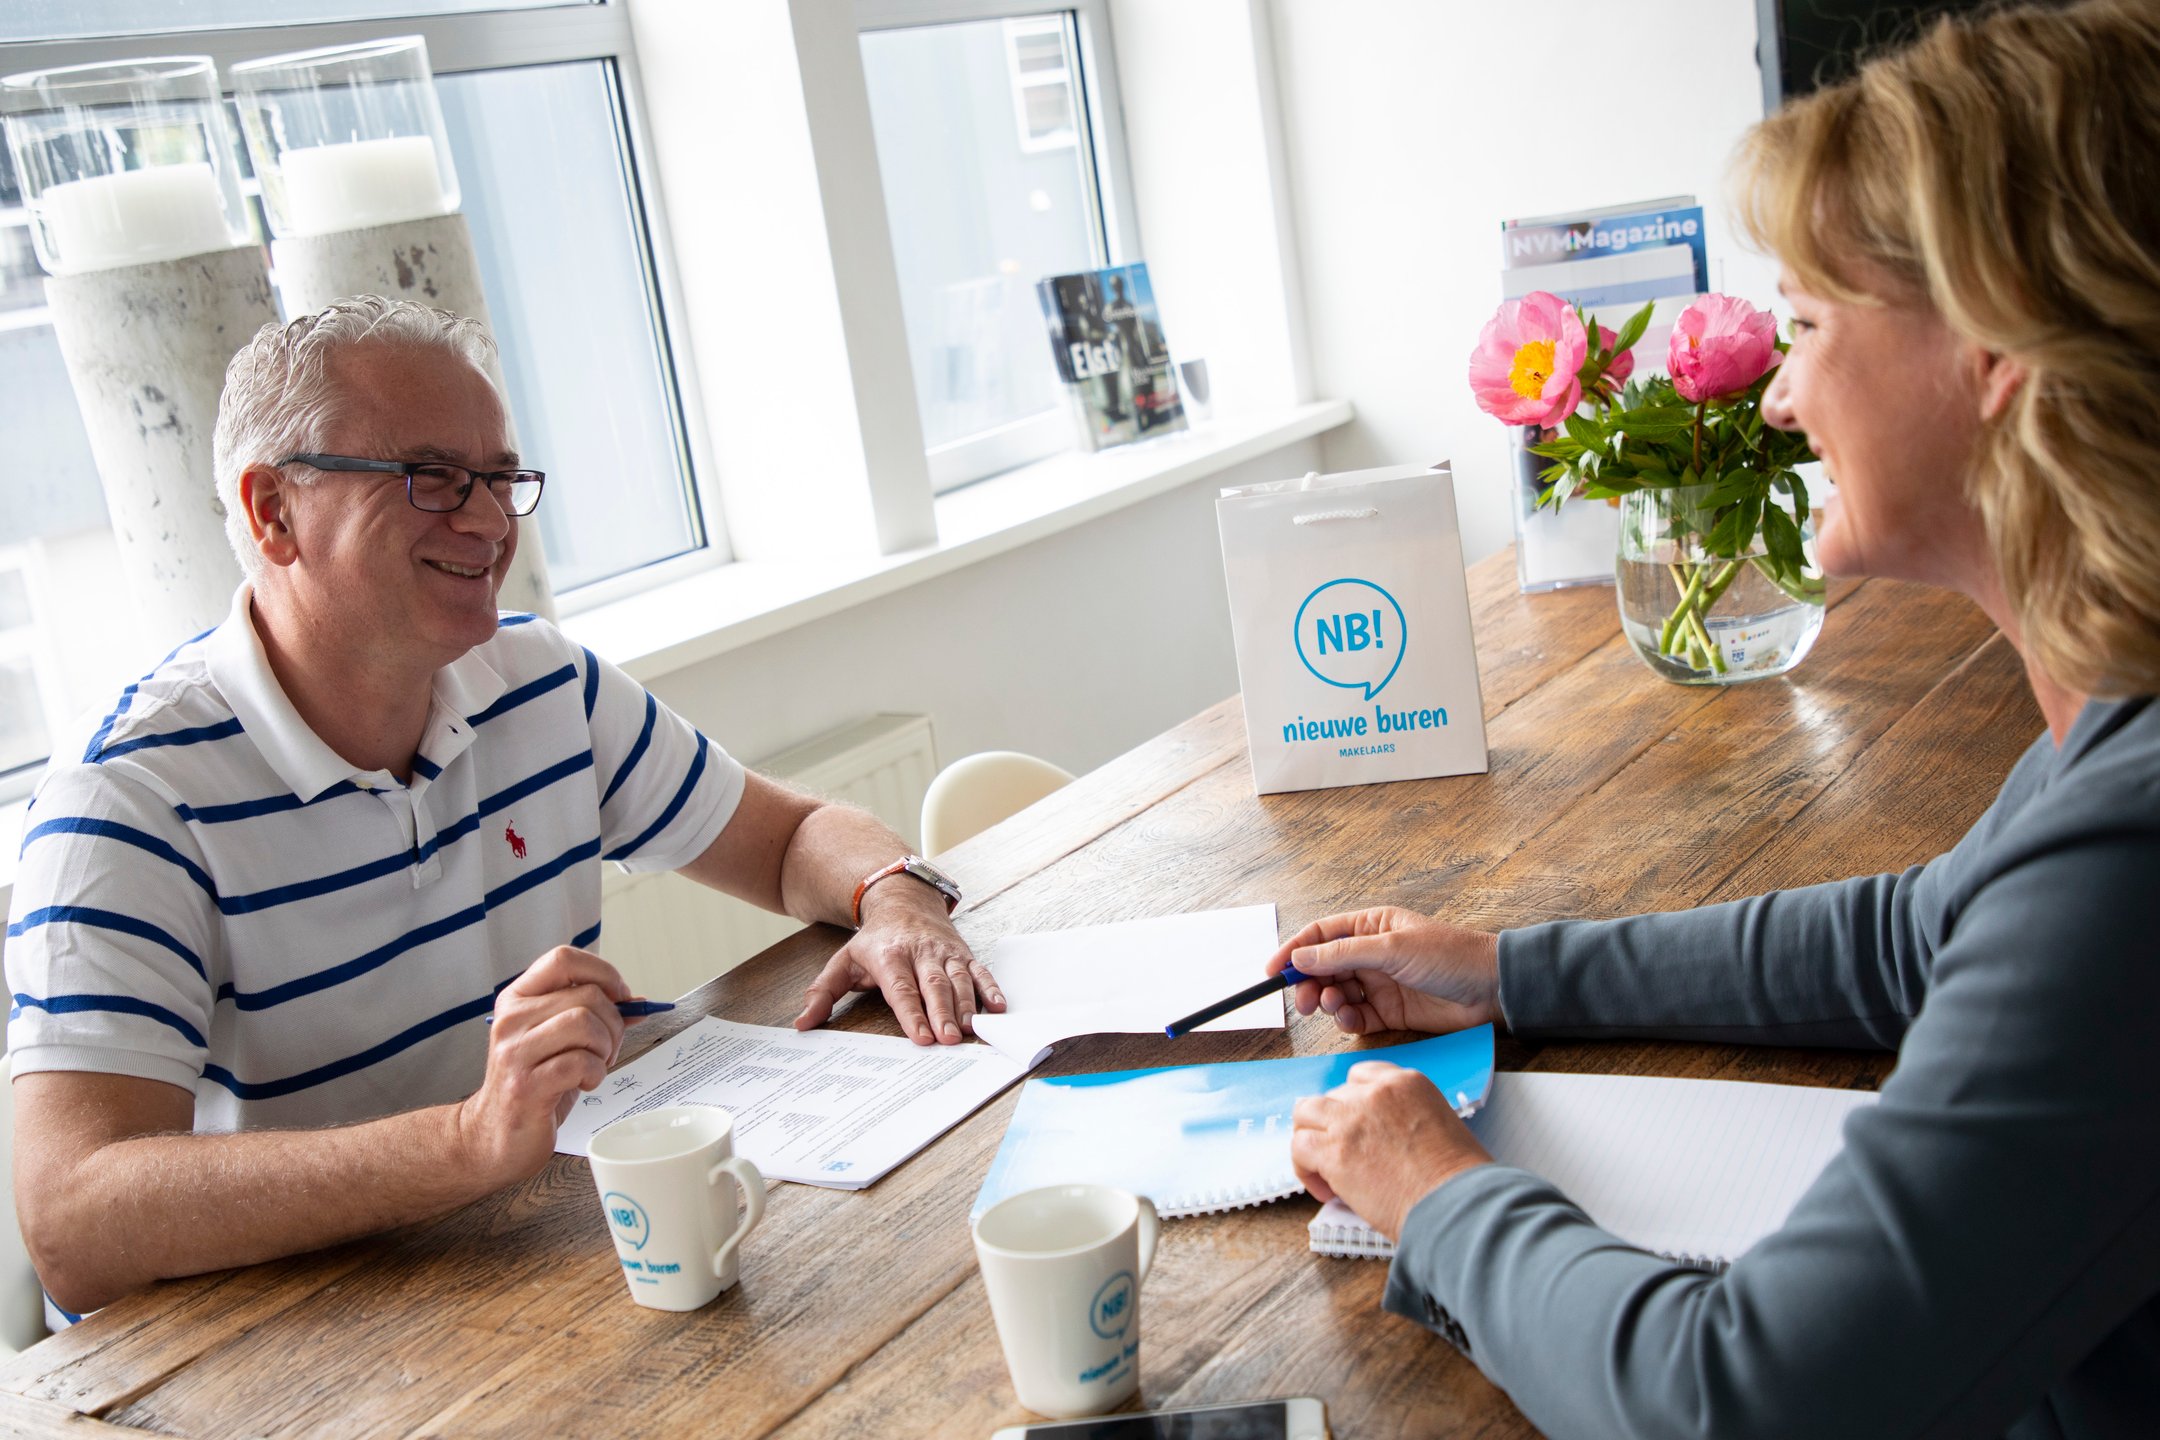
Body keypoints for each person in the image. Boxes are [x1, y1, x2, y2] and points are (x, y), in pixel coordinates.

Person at [1278, 3, 2160, 1436]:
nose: (1788, 391)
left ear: (2002, 352)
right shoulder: (2114, 730)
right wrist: (1508, 973)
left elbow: (1742, 1405)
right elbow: (1917, 938)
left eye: (1811, 322)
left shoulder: (2134, 850)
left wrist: (1439, 1193)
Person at [4, 297, 1002, 1323]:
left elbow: (792, 836)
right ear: (273, 513)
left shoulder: (539, 681)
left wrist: (897, 898)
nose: (486, 522)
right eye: (430, 478)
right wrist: (472, 1138)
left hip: (523, 1254)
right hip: (285, 1340)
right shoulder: (123, 802)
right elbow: (76, 1228)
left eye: (499, 479)